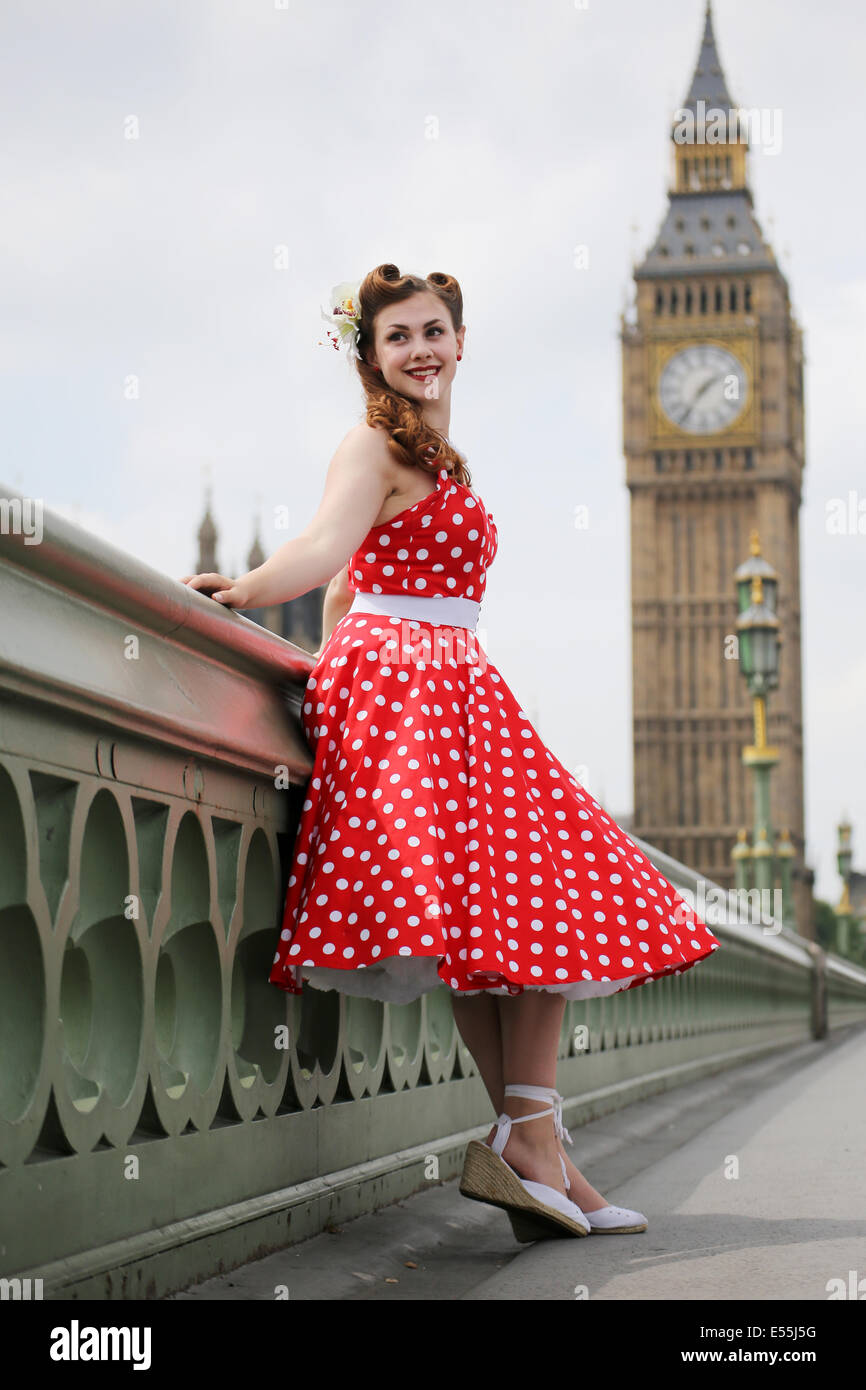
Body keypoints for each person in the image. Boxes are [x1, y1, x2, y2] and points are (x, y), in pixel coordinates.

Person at [180, 262, 721, 1242]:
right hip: (408, 690)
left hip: (447, 685)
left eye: (433, 330)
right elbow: (322, 548)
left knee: (497, 929)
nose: (419, 348)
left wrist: (332, 631)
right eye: (397, 336)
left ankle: (539, 1154)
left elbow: (345, 581)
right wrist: (248, 592)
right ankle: (536, 1149)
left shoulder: (437, 454)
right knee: (553, 890)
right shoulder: (369, 448)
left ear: (459, 343)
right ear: (370, 356)